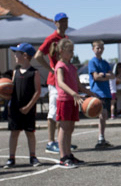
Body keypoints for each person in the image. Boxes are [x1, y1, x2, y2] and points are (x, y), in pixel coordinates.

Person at [34, 12, 70, 154]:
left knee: (62, 112)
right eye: (61, 21)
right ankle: (50, 142)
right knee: (53, 111)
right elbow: (38, 56)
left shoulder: (66, 38)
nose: (64, 23)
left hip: (64, 80)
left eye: (66, 20)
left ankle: (62, 142)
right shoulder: (51, 38)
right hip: (54, 81)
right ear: (55, 23)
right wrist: (51, 69)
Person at [55, 38, 93, 168]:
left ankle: (69, 154)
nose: (72, 53)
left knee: (70, 128)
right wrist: (73, 93)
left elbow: (79, 85)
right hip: (64, 100)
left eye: (73, 51)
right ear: (61, 51)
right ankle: (63, 157)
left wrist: (91, 94)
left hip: (73, 100)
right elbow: (60, 83)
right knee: (64, 128)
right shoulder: (60, 66)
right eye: (70, 51)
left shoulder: (72, 67)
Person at [4, 43, 42, 169]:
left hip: (28, 109)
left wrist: (28, 107)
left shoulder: (34, 72)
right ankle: (11, 158)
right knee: (14, 133)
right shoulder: (15, 72)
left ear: (25, 55)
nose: (15, 55)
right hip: (15, 108)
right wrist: (5, 96)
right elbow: (11, 91)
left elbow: (37, 92)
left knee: (30, 133)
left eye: (17, 53)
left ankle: (33, 156)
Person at [88, 40, 115, 149]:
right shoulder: (92, 62)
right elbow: (95, 77)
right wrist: (105, 75)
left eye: (101, 48)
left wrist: (102, 75)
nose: (99, 50)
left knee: (105, 116)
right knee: (102, 114)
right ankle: (100, 138)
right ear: (93, 49)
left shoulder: (105, 63)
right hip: (98, 92)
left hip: (106, 92)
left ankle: (102, 137)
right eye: (97, 48)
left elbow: (112, 76)